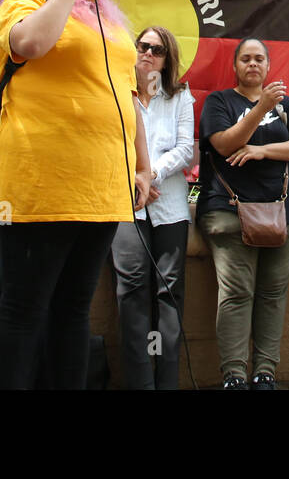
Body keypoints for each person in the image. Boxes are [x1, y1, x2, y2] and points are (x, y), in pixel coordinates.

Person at [0, 0, 152, 390]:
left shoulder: (110, 22)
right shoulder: (26, 2)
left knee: (74, 308)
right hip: (41, 183)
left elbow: (126, 95)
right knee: (23, 306)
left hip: (100, 185)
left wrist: (141, 165)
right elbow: (30, 45)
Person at [197, 38, 289, 390]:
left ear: (267, 65)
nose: (252, 64)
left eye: (259, 59)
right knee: (237, 292)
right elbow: (223, 144)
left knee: (273, 294)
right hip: (229, 213)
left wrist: (262, 151)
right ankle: (233, 375)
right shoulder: (220, 101)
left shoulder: (286, 103)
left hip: (283, 213)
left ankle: (264, 373)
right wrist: (261, 109)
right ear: (235, 66)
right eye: (245, 59)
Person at [111, 25, 195, 390]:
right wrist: (135, 178)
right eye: (142, 46)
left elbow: (185, 149)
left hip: (170, 205)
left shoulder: (180, 97)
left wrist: (152, 174)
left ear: (168, 59)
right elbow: (111, 143)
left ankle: (167, 383)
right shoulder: (118, 92)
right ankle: (140, 383)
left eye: (156, 49)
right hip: (127, 205)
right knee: (131, 289)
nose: (147, 53)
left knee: (169, 291)